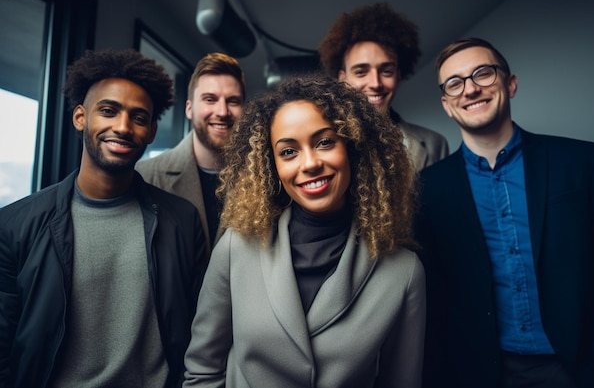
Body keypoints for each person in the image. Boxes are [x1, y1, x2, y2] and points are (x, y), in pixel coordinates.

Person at [183, 75, 426, 387]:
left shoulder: (403, 272)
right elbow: (203, 371)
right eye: (288, 152)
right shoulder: (236, 248)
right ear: (272, 166)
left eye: (324, 142)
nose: (309, 163)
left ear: (352, 148)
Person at [415, 37, 594, 388]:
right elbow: (434, 295)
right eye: (455, 83)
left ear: (510, 84)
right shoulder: (427, 188)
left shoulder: (580, 162)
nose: (470, 89)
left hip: (580, 366)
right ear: (447, 105)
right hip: (482, 372)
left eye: (482, 74)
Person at [0, 49, 208, 388]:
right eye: (108, 111)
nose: (123, 127)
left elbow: (201, 334)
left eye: (139, 117)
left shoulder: (181, 222)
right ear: (81, 117)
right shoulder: (14, 227)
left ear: (152, 131)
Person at [318, 2, 449, 171]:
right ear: (342, 78)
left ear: (399, 76)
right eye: (361, 72)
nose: (375, 84)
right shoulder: (320, 140)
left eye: (386, 71)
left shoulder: (434, 144)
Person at [136, 52, 245, 249]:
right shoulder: (145, 176)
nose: (222, 112)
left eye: (233, 101)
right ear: (189, 109)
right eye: (210, 99)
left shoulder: (262, 179)